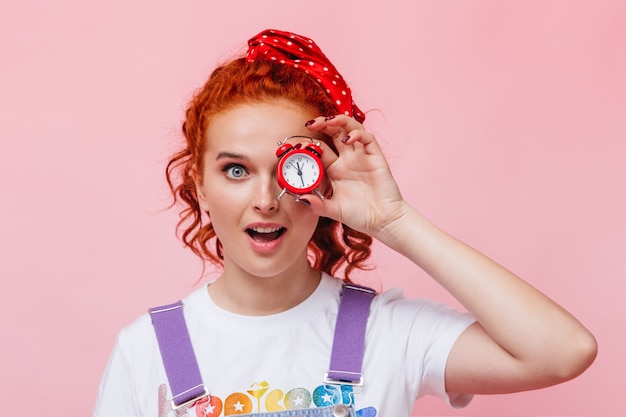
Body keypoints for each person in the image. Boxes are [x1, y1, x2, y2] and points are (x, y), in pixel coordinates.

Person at [93, 29, 597, 417]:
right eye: (236, 170)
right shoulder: (148, 350)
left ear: (322, 176)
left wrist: (395, 221)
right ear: (200, 184)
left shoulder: (388, 333)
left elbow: (562, 352)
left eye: (289, 169)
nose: (265, 199)